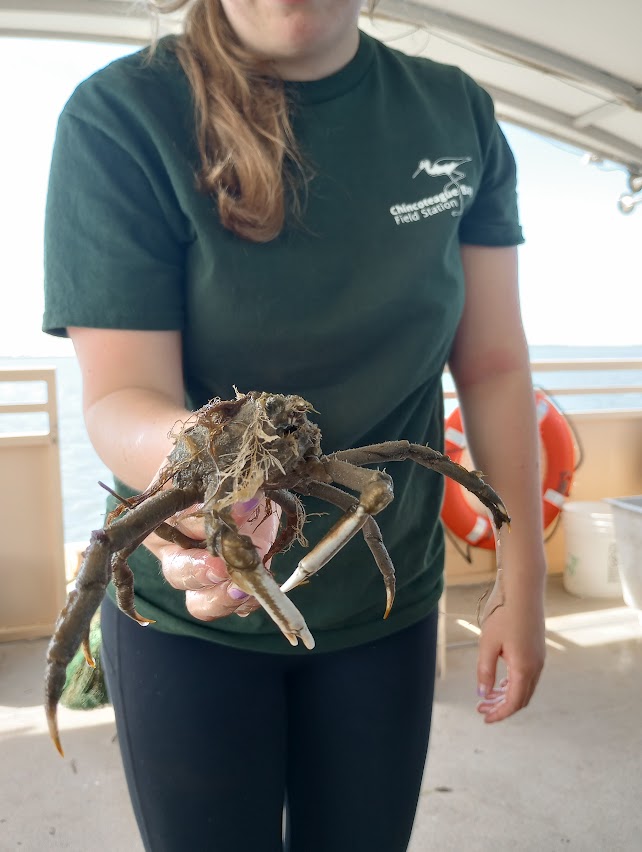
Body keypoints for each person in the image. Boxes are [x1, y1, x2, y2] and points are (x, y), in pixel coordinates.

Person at [43, 1, 546, 849]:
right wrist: (191, 481)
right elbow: (120, 391)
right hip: (186, 610)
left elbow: (493, 365)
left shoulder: (455, 111)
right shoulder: (122, 114)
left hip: (388, 604)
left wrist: (520, 575)